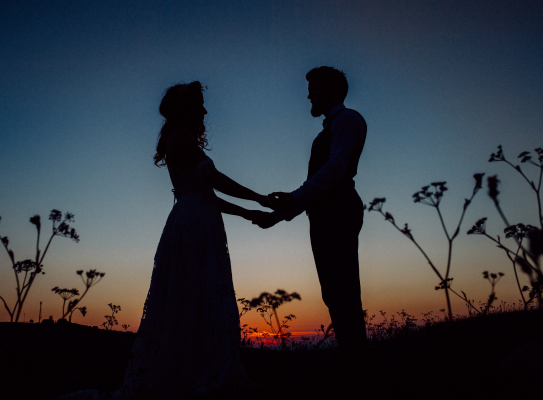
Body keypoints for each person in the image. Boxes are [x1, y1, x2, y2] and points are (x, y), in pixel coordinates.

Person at [59, 81, 270, 400]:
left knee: (197, 295)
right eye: (200, 105)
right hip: (193, 223)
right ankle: (199, 374)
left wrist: (248, 212)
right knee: (194, 294)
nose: (205, 110)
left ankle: (202, 369)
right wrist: (261, 199)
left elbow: (206, 192)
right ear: (186, 108)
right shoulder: (181, 137)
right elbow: (213, 180)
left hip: (198, 217)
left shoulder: (180, 138)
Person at [253, 66, 368, 358]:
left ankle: (358, 361)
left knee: (342, 289)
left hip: (339, 212)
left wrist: (292, 199)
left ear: (332, 90)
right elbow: (316, 185)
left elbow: (335, 170)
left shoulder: (348, 120)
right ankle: (354, 357)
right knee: (333, 290)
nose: (308, 96)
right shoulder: (328, 129)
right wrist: (278, 216)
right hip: (324, 215)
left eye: (314, 89)